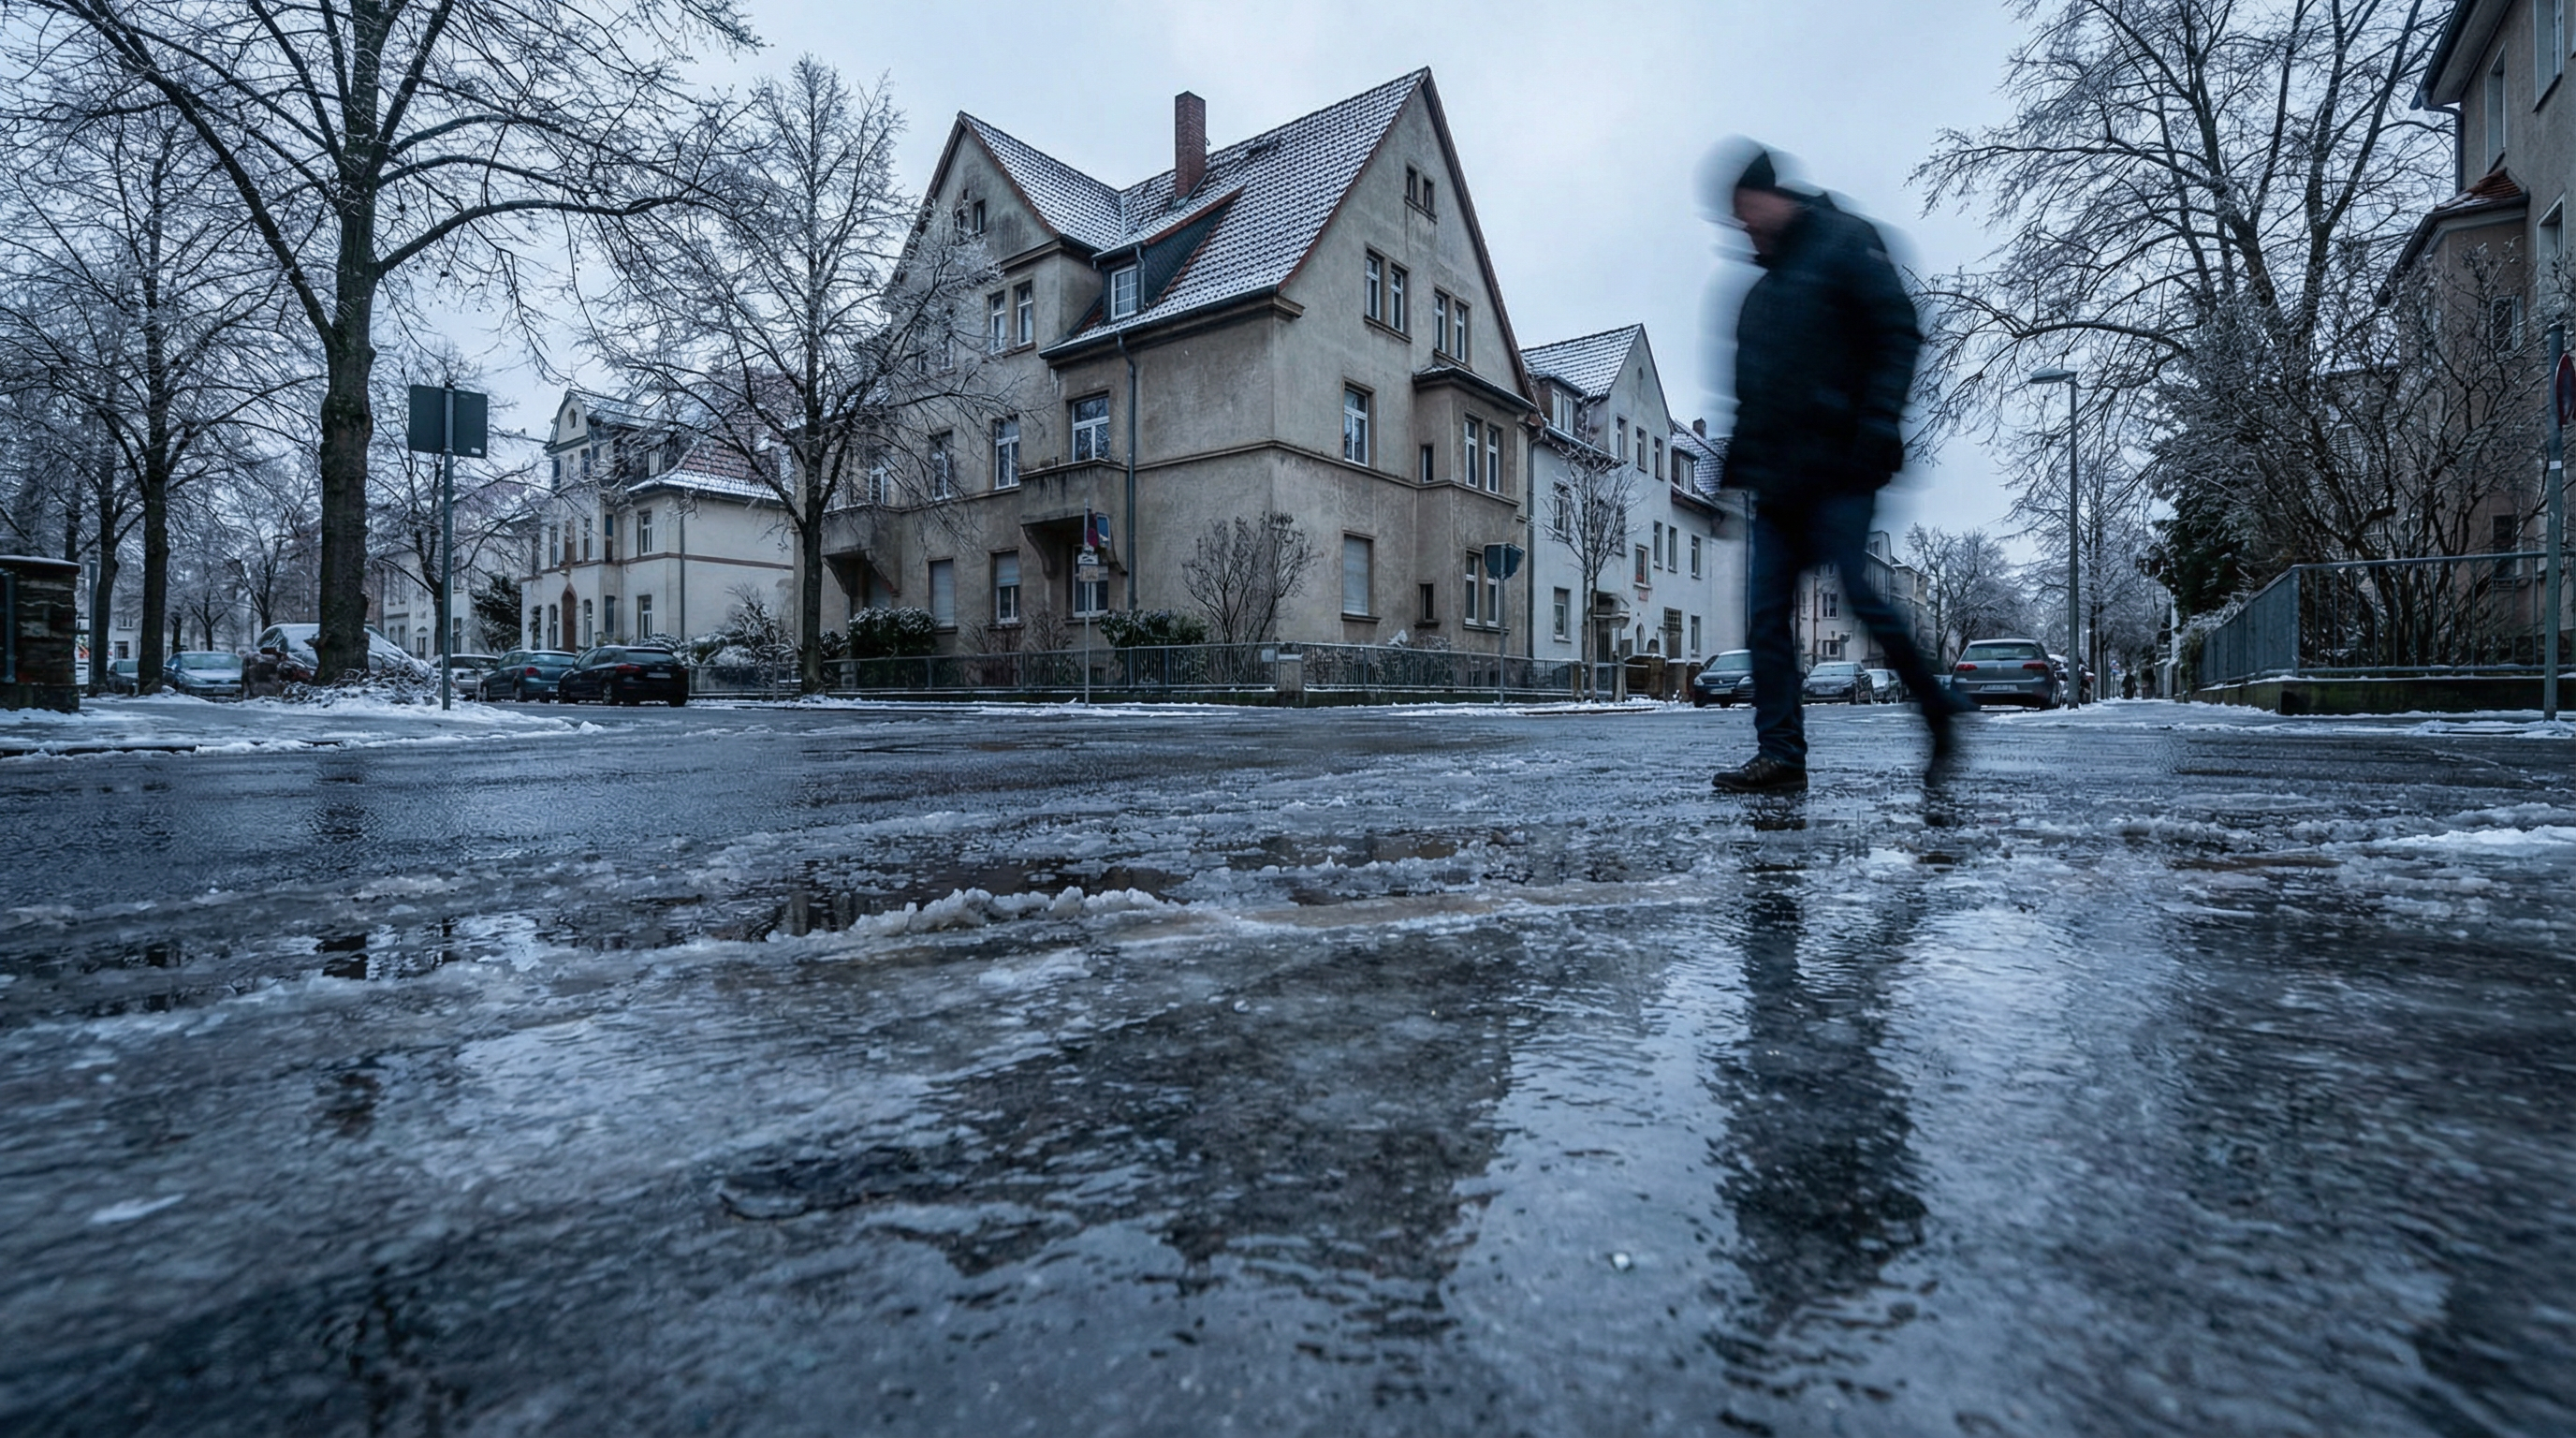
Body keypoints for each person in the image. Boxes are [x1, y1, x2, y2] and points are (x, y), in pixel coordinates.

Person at [1707, 145, 1966, 795]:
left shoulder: (1846, 242)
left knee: (1859, 590)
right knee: (1765, 614)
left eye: (1746, 214)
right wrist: (1732, 471)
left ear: (1773, 195)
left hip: (1843, 464)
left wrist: (1878, 422)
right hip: (1778, 482)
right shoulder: (1759, 297)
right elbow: (1750, 395)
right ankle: (1781, 754)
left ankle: (1936, 708)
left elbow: (1897, 330)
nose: (1744, 229)